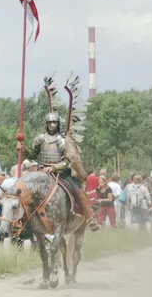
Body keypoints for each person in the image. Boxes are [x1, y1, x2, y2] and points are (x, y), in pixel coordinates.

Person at [17, 83, 98, 232]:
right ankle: (22, 219)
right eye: (49, 122)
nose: (52, 125)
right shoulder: (40, 138)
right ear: (46, 123)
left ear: (58, 123)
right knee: (25, 188)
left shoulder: (63, 140)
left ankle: (90, 215)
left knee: (77, 188)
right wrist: (23, 149)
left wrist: (54, 167)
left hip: (61, 173)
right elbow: (34, 155)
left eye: (54, 122)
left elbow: (68, 161)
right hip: (41, 171)